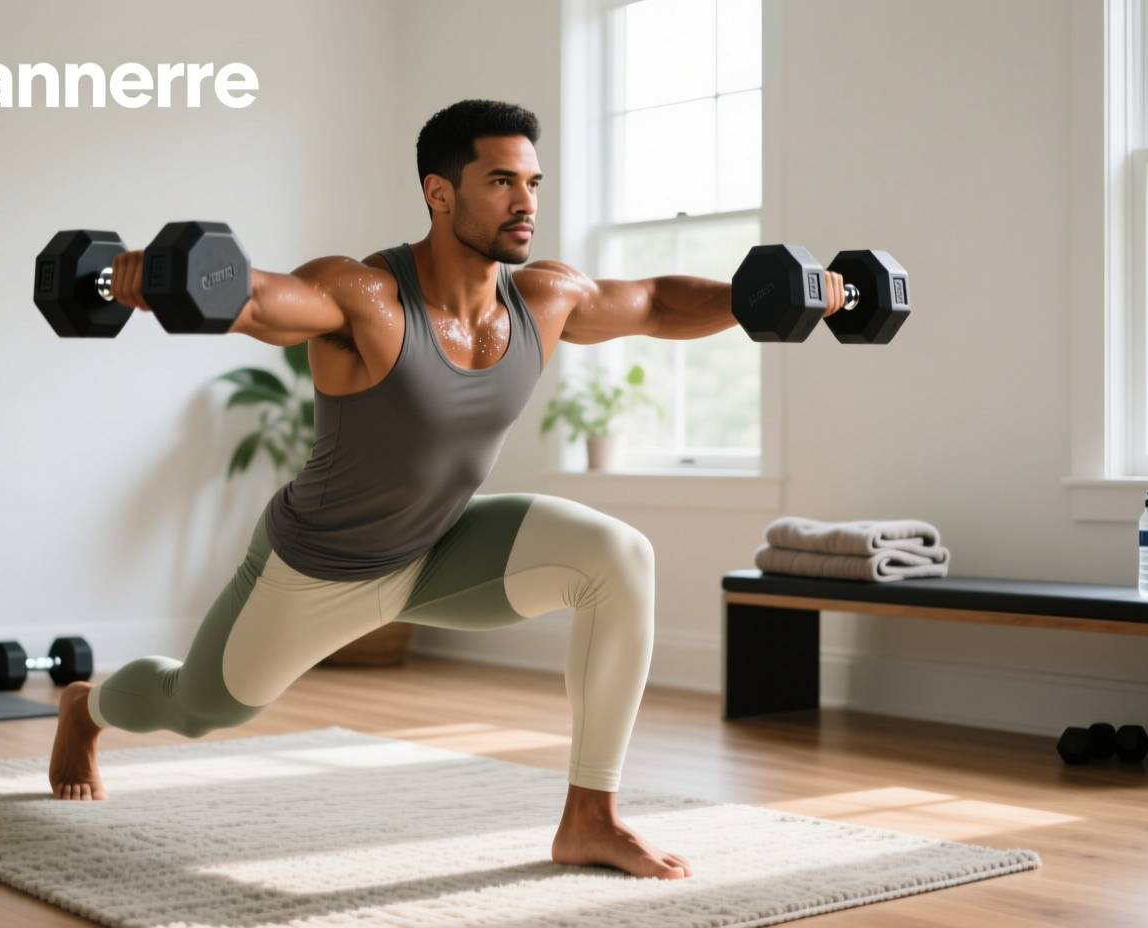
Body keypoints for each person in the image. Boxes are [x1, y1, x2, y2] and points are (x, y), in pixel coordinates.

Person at [47, 99, 845, 881]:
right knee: (200, 706)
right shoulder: (366, 297)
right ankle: (88, 706)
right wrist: (138, 281)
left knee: (618, 556)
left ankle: (590, 817)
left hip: (439, 551)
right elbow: (259, 298)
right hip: (319, 570)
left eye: (532, 182)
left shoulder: (544, 297)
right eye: (501, 181)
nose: (525, 201)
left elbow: (661, 304)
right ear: (440, 193)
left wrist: (784, 295)